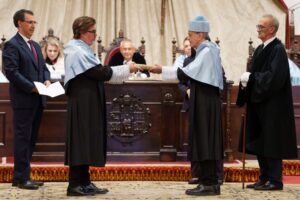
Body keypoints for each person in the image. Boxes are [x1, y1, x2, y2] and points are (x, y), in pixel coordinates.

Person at [64, 16, 140, 196]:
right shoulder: (76, 51)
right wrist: (127, 69)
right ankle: (74, 184)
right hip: (82, 101)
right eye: (93, 32)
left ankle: (85, 181)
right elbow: (100, 72)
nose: (95, 35)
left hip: (89, 100)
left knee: (88, 139)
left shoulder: (83, 49)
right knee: (81, 141)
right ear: (82, 32)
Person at [151, 16, 224, 196]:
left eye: (191, 35)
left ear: (200, 34)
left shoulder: (207, 51)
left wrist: (162, 70)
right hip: (204, 101)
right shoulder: (206, 50)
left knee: (205, 140)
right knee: (202, 140)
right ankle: (206, 181)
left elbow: (185, 74)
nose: (189, 39)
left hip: (206, 103)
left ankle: (209, 183)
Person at [237, 14, 298, 191]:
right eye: (258, 26)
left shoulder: (277, 49)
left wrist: (252, 77)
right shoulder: (260, 49)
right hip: (260, 103)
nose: (258, 29)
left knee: (272, 143)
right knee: (261, 142)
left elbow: (274, 78)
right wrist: (247, 80)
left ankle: (275, 180)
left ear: (272, 29)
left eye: (261, 27)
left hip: (273, 106)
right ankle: (263, 177)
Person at [2, 9, 50, 190]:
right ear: (19, 23)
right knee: (23, 139)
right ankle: (20, 179)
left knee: (31, 139)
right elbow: (12, 72)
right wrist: (32, 87)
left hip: (38, 99)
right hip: (24, 99)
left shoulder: (36, 45)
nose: (33, 26)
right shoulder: (12, 45)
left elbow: (43, 67)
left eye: (34, 22)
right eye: (30, 22)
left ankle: (24, 176)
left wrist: (46, 79)